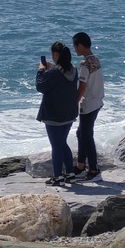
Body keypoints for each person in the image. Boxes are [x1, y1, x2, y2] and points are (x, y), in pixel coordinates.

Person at [36, 41, 79, 186]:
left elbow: (40, 86)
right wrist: (50, 69)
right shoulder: (73, 70)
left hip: (54, 114)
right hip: (69, 113)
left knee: (56, 145)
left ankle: (58, 176)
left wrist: (41, 70)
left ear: (56, 54)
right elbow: (60, 77)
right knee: (62, 143)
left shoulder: (53, 73)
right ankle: (70, 174)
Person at [72, 32, 103, 182]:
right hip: (97, 101)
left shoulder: (85, 64)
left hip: (89, 103)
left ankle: (93, 170)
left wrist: (74, 103)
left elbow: (82, 86)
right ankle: (80, 165)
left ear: (80, 45)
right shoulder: (95, 59)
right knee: (81, 133)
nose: (74, 49)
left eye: (75, 46)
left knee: (86, 135)